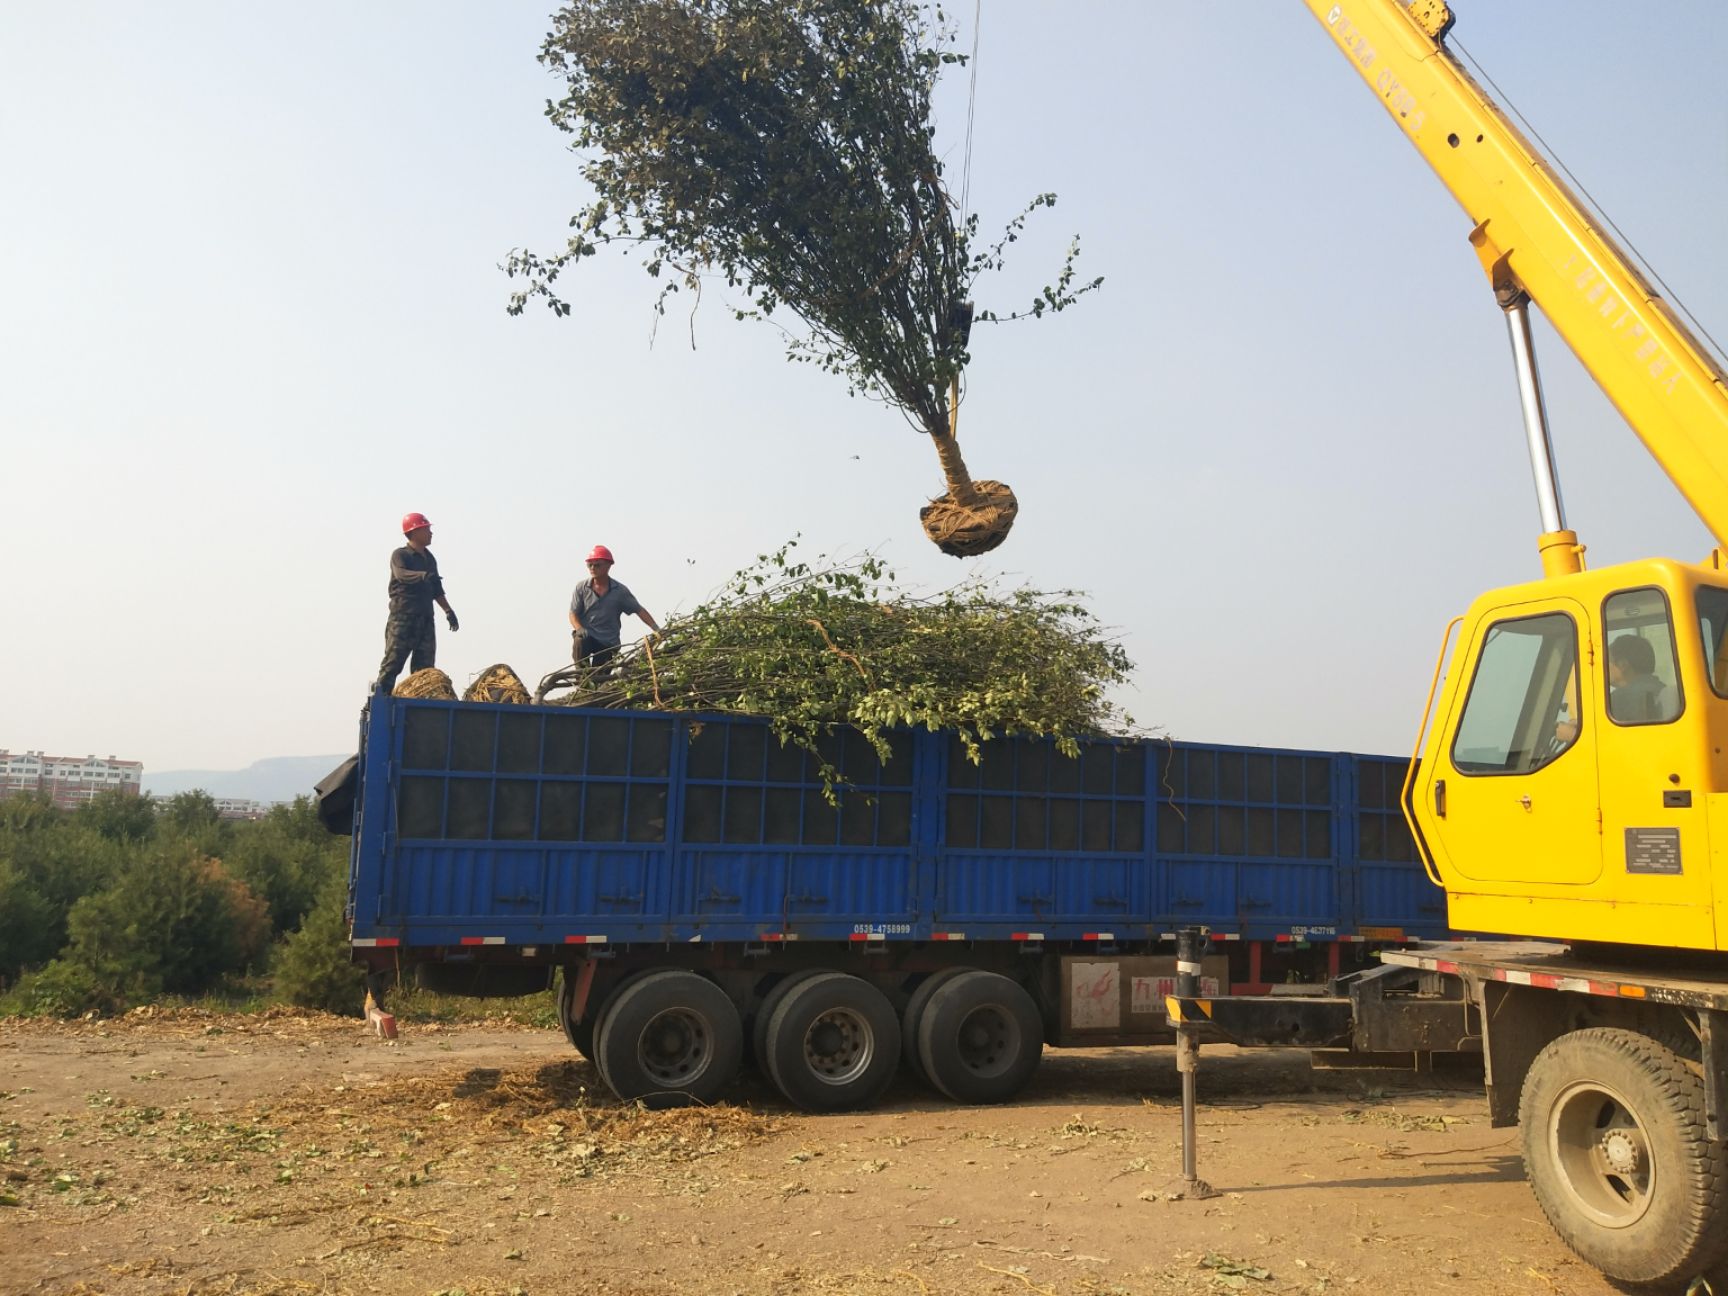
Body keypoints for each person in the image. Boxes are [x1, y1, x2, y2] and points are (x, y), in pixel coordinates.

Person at [373, 512, 459, 694]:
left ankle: (419, 708)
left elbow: (437, 589)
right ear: (415, 532)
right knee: (392, 663)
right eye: (427, 529)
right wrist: (422, 576)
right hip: (403, 619)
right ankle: (380, 700)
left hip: (426, 619)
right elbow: (401, 575)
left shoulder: (430, 558)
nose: (430, 533)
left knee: (424, 670)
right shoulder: (400, 555)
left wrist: (448, 611)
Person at [569, 544, 659, 669]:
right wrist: (579, 628)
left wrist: (657, 629)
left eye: (597, 564)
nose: (593, 568)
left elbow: (639, 610)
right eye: (590, 565)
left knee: (599, 679)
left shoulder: (620, 591)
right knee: (580, 640)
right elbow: (573, 614)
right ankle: (581, 680)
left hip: (608, 642)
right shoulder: (582, 588)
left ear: (608, 565)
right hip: (587, 636)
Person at [1608, 635, 1668, 723]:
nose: (1603, 668)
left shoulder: (1615, 701)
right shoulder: (1663, 689)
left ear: (1623, 664)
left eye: (1607, 661)